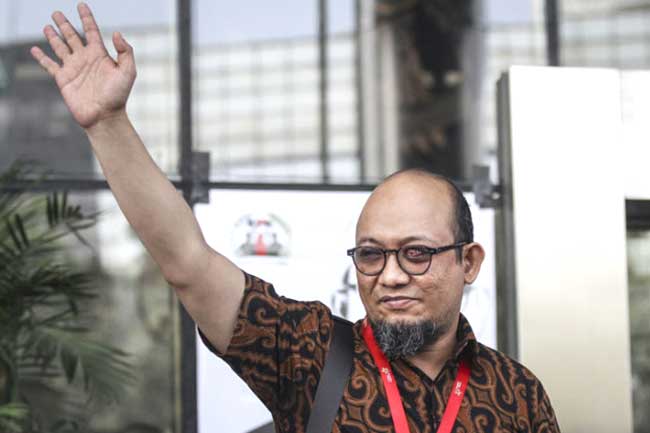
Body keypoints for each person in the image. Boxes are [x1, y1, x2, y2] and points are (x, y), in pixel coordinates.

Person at [31, 4, 561, 433]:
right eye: (371, 255)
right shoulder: (310, 354)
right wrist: (107, 124)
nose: (391, 275)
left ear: (468, 261)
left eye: (416, 253)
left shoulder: (517, 395)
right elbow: (189, 264)